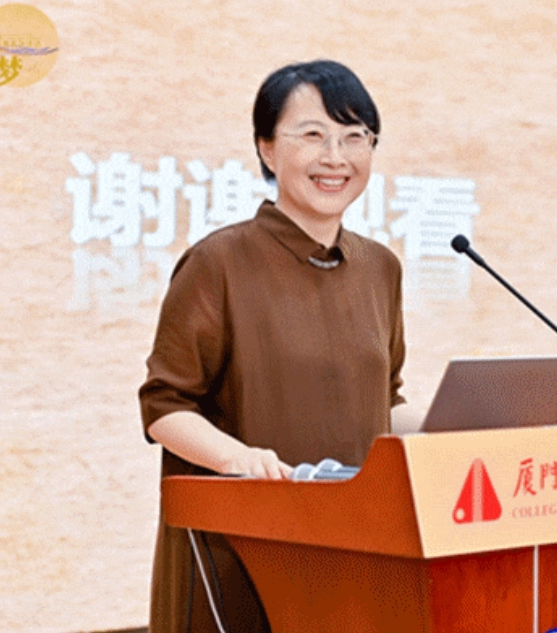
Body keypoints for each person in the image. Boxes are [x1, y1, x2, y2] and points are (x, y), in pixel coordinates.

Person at [138, 60, 406, 633]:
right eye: (313, 135)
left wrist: (476, 424)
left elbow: (386, 401)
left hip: (355, 546)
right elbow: (165, 407)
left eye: (355, 137)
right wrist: (237, 459)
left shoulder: (380, 267)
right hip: (241, 549)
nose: (336, 157)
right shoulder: (218, 262)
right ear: (266, 148)